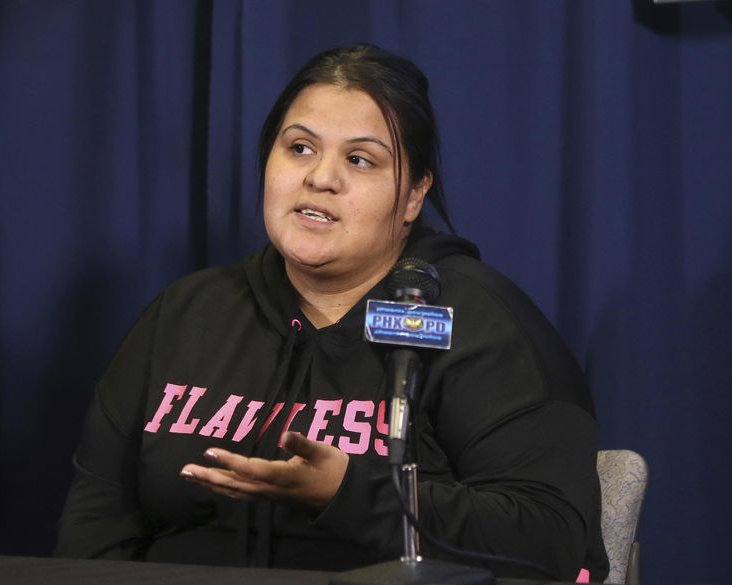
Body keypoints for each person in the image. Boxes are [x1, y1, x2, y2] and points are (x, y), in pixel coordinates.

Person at [54, 43, 608, 581]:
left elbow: (552, 539)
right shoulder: (187, 312)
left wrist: (351, 493)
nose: (321, 177)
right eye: (299, 148)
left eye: (360, 159)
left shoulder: (480, 324)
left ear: (413, 195)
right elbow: (98, 516)